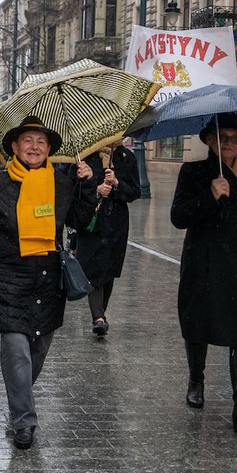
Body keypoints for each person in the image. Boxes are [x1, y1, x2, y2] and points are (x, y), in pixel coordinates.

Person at [0, 116, 94, 450]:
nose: (34, 147)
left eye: (41, 142)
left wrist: (86, 186)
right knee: (16, 348)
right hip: (7, 274)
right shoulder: (0, 183)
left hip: (47, 278)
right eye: (27, 141)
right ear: (15, 147)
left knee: (38, 349)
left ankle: (18, 399)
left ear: (49, 149)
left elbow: (82, 221)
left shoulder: (62, 183)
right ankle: (24, 421)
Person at [171, 113, 237, 433]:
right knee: (198, 324)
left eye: (235, 137)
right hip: (206, 266)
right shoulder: (193, 172)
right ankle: (196, 379)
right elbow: (178, 217)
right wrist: (209, 196)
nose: (229, 143)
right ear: (208, 140)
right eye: (222, 137)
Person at [74, 140, 140, 337]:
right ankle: (98, 317)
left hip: (117, 223)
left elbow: (135, 192)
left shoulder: (127, 158)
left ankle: (100, 313)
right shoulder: (85, 156)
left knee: (109, 268)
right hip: (92, 220)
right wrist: (96, 188)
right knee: (93, 267)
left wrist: (117, 184)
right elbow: (74, 188)